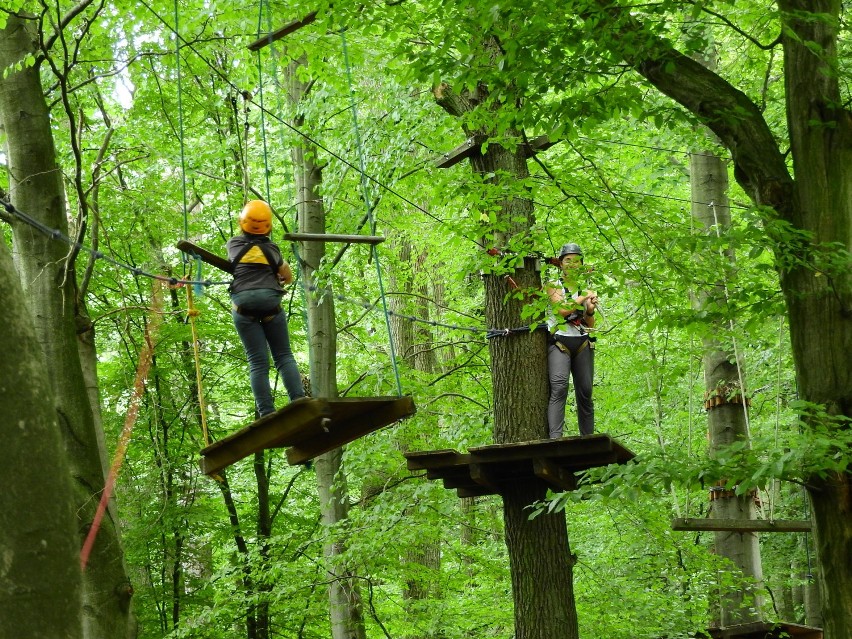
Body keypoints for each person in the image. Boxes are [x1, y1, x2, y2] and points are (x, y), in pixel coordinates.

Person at [227, 200, 305, 417]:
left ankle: (266, 411)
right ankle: (298, 399)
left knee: (258, 362)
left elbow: (235, 262)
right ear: (268, 227)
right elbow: (287, 276)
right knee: (283, 355)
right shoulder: (272, 249)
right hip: (270, 303)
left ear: (242, 224)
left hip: (243, 305)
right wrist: (277, 274)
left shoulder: (233, 244)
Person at [545, 242, 598, 438]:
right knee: (559, 388)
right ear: (560, 263)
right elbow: (562, 310)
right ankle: (555, 439)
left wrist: (590, 310)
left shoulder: (585, 289)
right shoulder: (552, 286)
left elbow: (590, 325)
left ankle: (588, 440)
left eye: (577, 261)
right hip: (560, 341)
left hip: (582, 341)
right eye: (568, 260)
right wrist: (583, 297)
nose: (572, 264)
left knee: (585, 392)